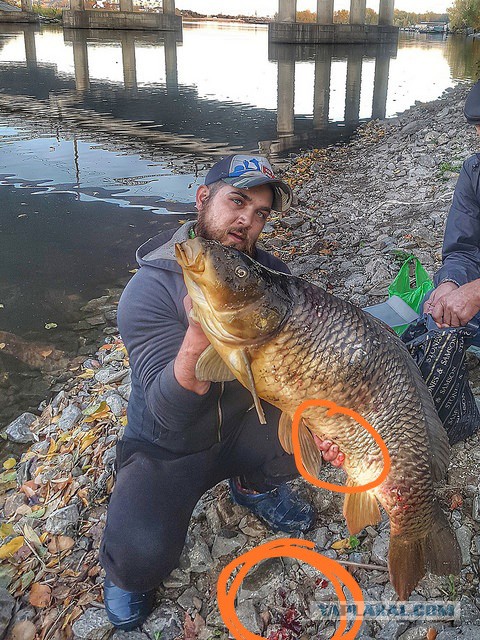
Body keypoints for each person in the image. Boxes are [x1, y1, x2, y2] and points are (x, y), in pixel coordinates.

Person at [99, 154, 344, 631]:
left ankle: (250, 486)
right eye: (237, 202)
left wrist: (322, 416)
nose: (246, 222)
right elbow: (168, 414)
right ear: (203, 198)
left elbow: (291, 367)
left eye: (260, 214)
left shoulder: (268, 276)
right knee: (138, 557)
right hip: (168, 446)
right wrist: (197, 337)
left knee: (318, 431)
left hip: (242, 424)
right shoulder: (147, 291)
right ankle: (127, 569)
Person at [423, 81, 480, 335]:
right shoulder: (474, 171)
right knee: (437, 305)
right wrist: (451, 283)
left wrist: (476, 292)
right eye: (479, 129)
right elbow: (463, 250)